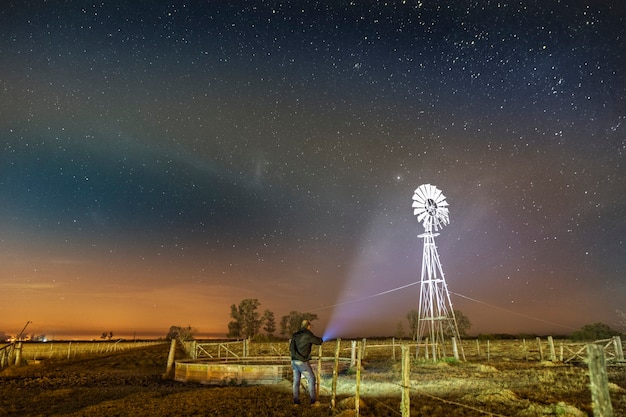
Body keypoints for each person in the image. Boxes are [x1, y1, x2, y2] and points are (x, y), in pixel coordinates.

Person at [289, 319, 323, 406]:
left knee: (296, 381)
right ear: (308, 326)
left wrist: (295, 357)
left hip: (294, 361)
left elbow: (291, 349)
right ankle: (313, 401)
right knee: (311, 379)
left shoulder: (295, 335)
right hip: (302, 361)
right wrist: (302, 358)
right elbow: (318, 342)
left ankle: (296, 402)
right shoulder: (308, 334)